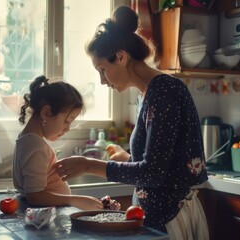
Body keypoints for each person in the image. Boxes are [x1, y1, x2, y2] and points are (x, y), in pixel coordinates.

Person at [56, 6, 209, 239]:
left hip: (172, 217)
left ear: (121, 57)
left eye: (102, 70)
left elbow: (154, 173)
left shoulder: (163, 90)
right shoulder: (148, 93)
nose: (102, 81)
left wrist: (88, 165)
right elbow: (163, 164)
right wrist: (128, 159)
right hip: (158, 217)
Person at [12, 75, 103, 211]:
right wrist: (75, 200)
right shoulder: (37, 147)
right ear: (47, 112)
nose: (67, 128)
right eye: (67, 121)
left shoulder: (26, 139)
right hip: (46, 215)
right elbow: (35, 196)